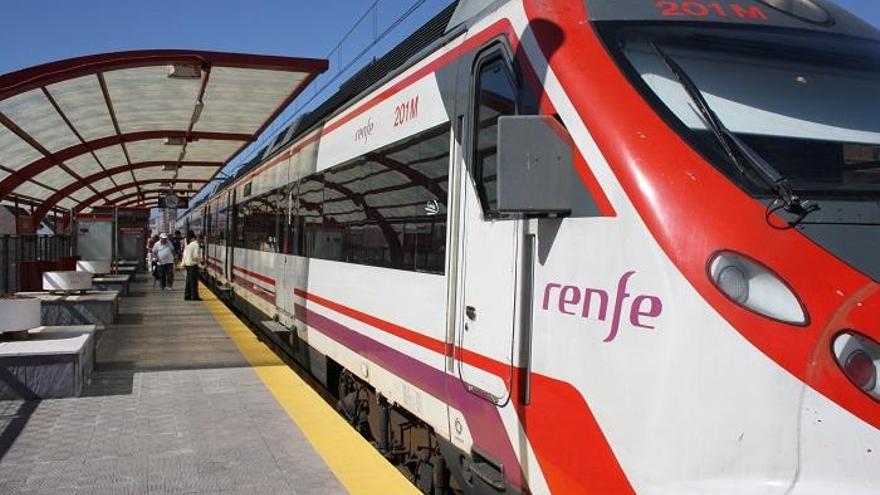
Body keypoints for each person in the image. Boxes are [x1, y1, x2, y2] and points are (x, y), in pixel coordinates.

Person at [182, 230, 202, 301]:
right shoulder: (195, 244)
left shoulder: (189, 244)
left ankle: (187, 296)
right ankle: (194, 297)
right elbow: (196, 256)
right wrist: (201, 261)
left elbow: (184, 254)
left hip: (187, 264)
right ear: (195, 237)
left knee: (188, 281)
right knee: (194, 282)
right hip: (192, 265)